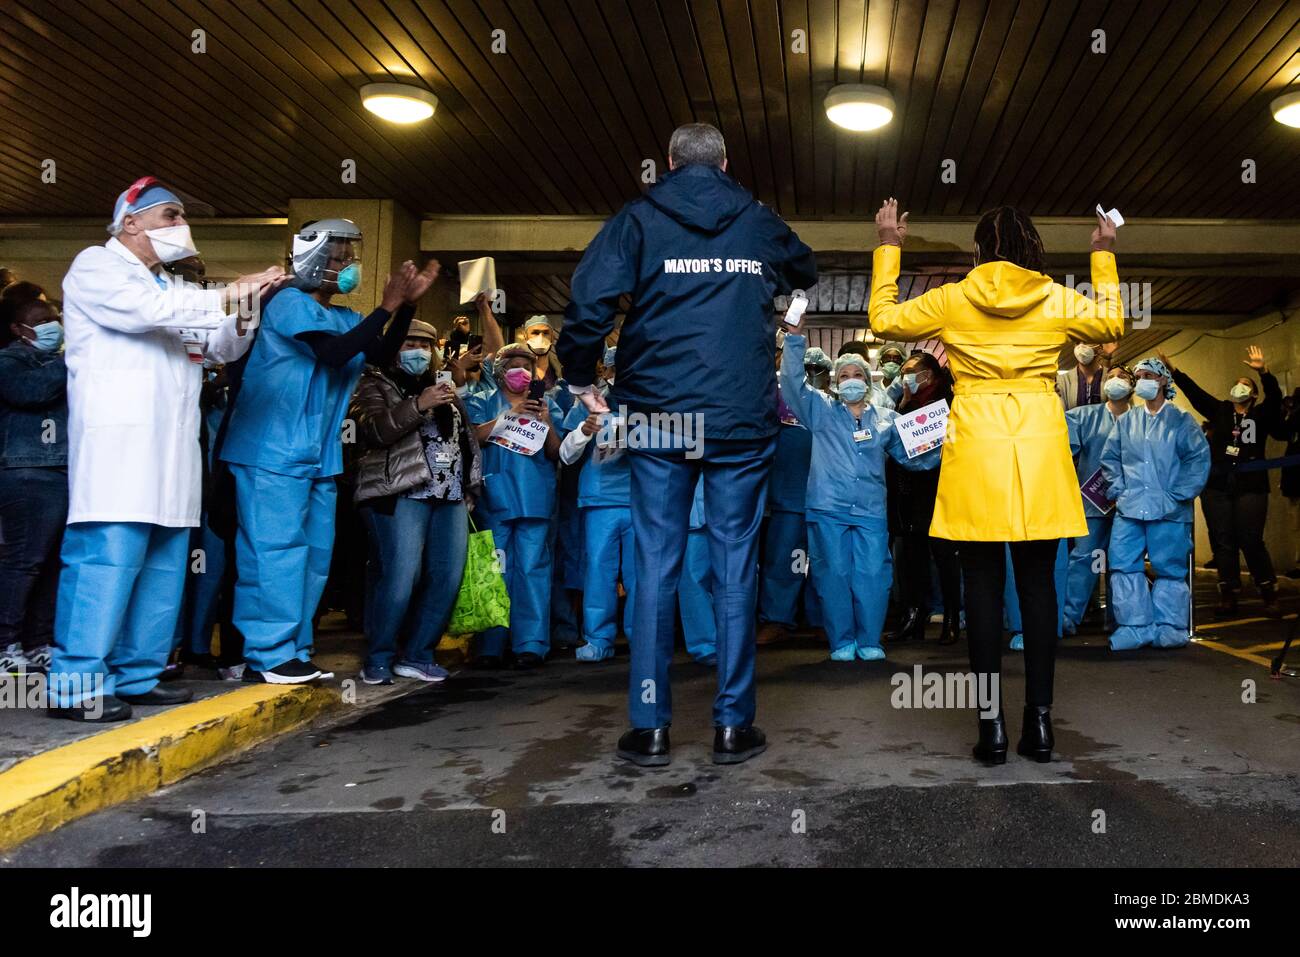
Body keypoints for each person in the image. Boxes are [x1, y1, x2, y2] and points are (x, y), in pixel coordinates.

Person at [558, 121, 816, 767]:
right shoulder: (758, 219)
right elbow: (806, 267)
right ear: (726, 162)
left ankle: (649, 727)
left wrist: (582, 377)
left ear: (668, 162)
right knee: (734, 566)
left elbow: (588, 300)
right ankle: (732, 726)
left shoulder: (638, 217)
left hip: (660, 414)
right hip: (738, 414)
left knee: (656, 562)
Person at [870, 199, 1124, 764]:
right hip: (1037, 440)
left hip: (977, 444)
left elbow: (883, 321)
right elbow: (1111, 323)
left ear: (981, 251)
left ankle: (992, 729)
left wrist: (889, 244)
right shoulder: (1055, 297)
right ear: (1033, 248)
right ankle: (1040, 725)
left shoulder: (955, 297)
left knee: (980, 587)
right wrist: (1102, 255)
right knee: (1037, 586)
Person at [48, 177, 279, 721]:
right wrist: (228, 291)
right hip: (118, 455)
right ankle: (73, 685)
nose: (182, 226)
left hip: (172, 458)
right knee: (104, 564)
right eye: (171, 215)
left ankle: (138, 673)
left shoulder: (171, 288)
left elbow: (219, 345)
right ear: (130, 221)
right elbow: (144, 312)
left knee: (161, 569)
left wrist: (246, 308)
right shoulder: (96, 266)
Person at [219, 219, 439, 684]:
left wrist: (406, 308)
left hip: (316, 457)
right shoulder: (287, 304)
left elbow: (377, 354)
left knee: (313, 555)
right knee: (273, 552)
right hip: (271, 451)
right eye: (337, 258)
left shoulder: (344, 317)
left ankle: (294, 648)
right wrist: (387, 306)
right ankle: (266, 655)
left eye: (349, 257)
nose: (347, 266)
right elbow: (333, 354)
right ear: (310, 260)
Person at [781, 322, 940, 660]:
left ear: (868, 382)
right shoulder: (820, 410)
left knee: (873, 574)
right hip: (827, 506)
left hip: (870, 509)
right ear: (836, 384)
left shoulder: (885, 418)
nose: (850, 379)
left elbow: (914, 457)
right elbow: (793, 384)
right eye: (843, 376)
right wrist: (795, 340)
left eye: (857, 374)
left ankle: (869, 639)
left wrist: (946, 441)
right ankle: (842, 641)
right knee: (832, 573)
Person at [350, 319, 482, 685]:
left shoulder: (443, 388)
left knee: (447, 576)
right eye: (409, 342)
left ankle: (419, 654)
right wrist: (418, 404)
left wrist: (470, 485)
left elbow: (465, 438)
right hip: (400, 493)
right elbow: (375, 432)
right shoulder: (372, 384)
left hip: (450, 496)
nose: (419, 350)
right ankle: (378, 655)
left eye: (425, 343)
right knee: (401, 576)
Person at [1158, 346, 1282, 616]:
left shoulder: (1261, 415)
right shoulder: (1222, 411)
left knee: (1251, 538)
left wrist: (1263, 373)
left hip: (1251, 484)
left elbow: (1275, 399)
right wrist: (1175, 372)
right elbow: (1196, 394)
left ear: (1254, 394)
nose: (1239, 387)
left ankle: (1268, 591)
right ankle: (1228, 592)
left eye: (1245, 385)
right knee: (1223, 539)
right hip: (1217, 485)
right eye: (1237, 384)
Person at [465, 343, 565, 669]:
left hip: (534, 498)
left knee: (533, 570)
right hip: (494, 497)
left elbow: (556, 452)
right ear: (499, 371)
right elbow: (472, 439)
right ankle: (490, 645)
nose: (520, 371)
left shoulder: (546, 404)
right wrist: (507, 417)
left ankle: (531, 644)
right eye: (513, 364)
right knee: (494, 571)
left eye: (526, 365)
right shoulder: (480, 401)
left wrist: (546, 421)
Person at [1100, 358, 1210, 650]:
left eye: (1148, 375)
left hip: (1169, 510)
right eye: (1139, 377)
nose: (1143, 381)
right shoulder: (1127, 422)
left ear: (1163, 380)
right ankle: (1133, 628)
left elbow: (1197, 459)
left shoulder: (1182, 421)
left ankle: (1169, 627)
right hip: (1130, 508)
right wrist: (1120, 490)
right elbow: (1110, 458)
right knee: (1123, 566)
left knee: (1170, 569)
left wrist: (1178, 494)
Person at [0, 298, 67, 676]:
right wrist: (68, 360)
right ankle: (5, 644)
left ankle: (37, 642)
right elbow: (30, 392)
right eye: (40, 320)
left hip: (59, 469)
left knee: (50, 564)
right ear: (16, 329)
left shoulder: (57, 362)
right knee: (23, 562)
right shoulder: (10, 362)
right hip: (28, 470)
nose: (51, 325)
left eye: (53, 318)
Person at [560, 346, 635, 663]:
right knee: (598, 573)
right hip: (600, 500)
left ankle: (642, 637)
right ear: (604, 372)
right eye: (616, 368)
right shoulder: (587, 405)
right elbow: (565, 454)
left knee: (640, 576)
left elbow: (685, 441)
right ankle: (598, 639)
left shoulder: (652, 403)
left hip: (640, 502)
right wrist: (583, 430)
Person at [886, 350, 962, 645]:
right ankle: (913, 618)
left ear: (927, 375)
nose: (904, 377)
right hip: (909, 493)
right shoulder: (902, 404)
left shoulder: (951, 402)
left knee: (945, 558)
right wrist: (902, 405)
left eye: (909, 372)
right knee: (912, 559)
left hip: (942, 491)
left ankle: (952, 619)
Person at [757, 342, 828, 645]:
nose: (811, 375)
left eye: (817, 370)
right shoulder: (776, 402)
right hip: (787, 498)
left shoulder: (831, 405)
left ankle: (822, 619)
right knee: (785, 560)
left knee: (823, 563)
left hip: (825, 499)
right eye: (806, 369)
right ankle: (777, 618)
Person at [1061, 365, 1136, 633]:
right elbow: (1063, 455)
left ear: (1132, 385)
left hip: (1130, 504)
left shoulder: (1141, 419)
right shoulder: (1082, 417)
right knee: (1085, 558)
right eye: (1112, 376)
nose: (1116, 381)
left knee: (1123, 562)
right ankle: (1067, 619)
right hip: (1093, 502)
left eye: (1123, 377)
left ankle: (1121, 621)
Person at [1278, 389, 1300, 578]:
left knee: (1297, 523)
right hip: (1294, 481)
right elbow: (1282, 432)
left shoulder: (1294, 419)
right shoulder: (1292, 428)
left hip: (1295, 479)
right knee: (1296, 523)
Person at [1057, 341, 1116, 411]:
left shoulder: (1112, 377)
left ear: (1100, 347)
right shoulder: (1063, 381)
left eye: (1086, 342)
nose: (1081, 346)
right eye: (1077, 342)